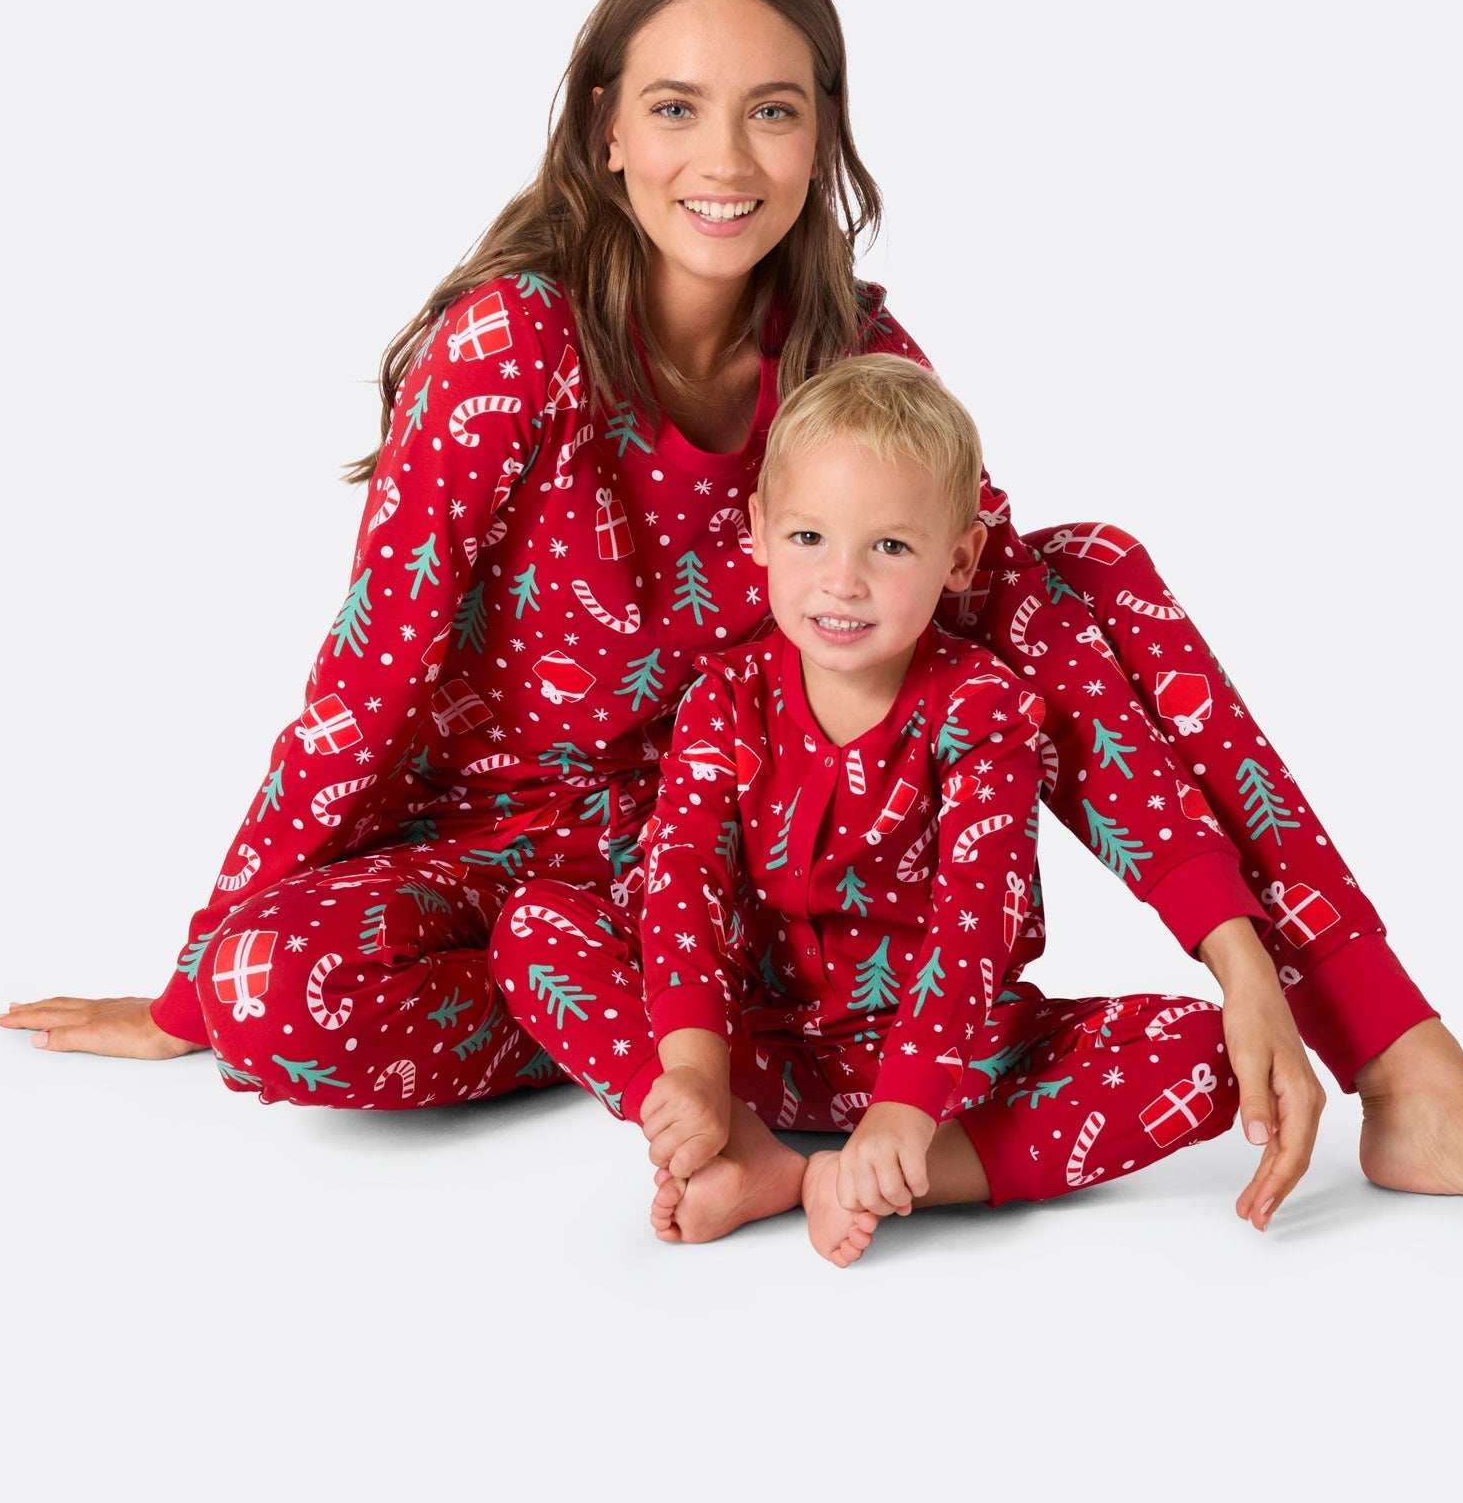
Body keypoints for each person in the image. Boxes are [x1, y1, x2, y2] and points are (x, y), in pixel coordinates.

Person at [0, 0, 1463, 1260]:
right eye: (677, 107)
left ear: (824, 133)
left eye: (773, 111)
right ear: (605, 130)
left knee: (1077, 577)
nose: (725, 156)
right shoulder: (514, 352)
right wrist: (194, 980)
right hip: (524, 881)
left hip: (757, 877)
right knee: (267, 991)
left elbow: (1017, 622)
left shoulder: (852, 355)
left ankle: (1397, 1051)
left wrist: (1235, 946)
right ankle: (705, 1081)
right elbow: (366, 677)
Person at [500, 353, 1258, 1263]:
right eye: (809, 537)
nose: (842, 580)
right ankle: (735, 1146)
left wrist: (906, 1107)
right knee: (535, 926)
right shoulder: (725, 698)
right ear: (759, 532)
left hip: (952, 1059)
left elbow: (976, 921)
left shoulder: (983, 710)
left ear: (959, 558)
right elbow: (683, 883)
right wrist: (694, 1071)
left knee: (1210, 1053)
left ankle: (896, 1174)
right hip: (750, 1048)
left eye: (889, 547)